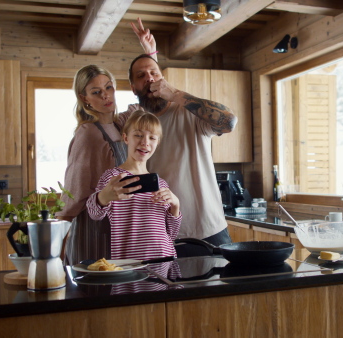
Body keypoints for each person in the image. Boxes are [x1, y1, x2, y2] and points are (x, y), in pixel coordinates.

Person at [57, 19, 158, 265]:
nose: (105, 95)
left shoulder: (120, 124)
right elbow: (76, 189)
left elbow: (147, 98)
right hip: (94, 225)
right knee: (97, 293)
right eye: (96, 91)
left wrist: (151, 54)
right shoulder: (88, 133)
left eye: (109, 87)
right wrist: (61, 235)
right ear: (84, 99)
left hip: (119, 223)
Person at [126, 43, 238, 256]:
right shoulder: (134, 122)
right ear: (133, 87)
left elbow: (229, 122)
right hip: (159, 236)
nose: (149, 78)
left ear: (162, 79)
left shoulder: (189, 112)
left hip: (209, 232)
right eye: (141, 75)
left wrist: (176, 94)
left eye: (154, 73)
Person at [86, 110, 181, 260]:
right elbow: (94, 214)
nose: (145, 142)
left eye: (152, 138)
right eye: (138, 135)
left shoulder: (161, 184)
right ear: (125, 138)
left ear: (158, 143)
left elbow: (171, 234)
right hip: (129, 265)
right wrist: (103, 197)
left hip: (165, 261)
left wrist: (176, 206)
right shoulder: (113, 178)